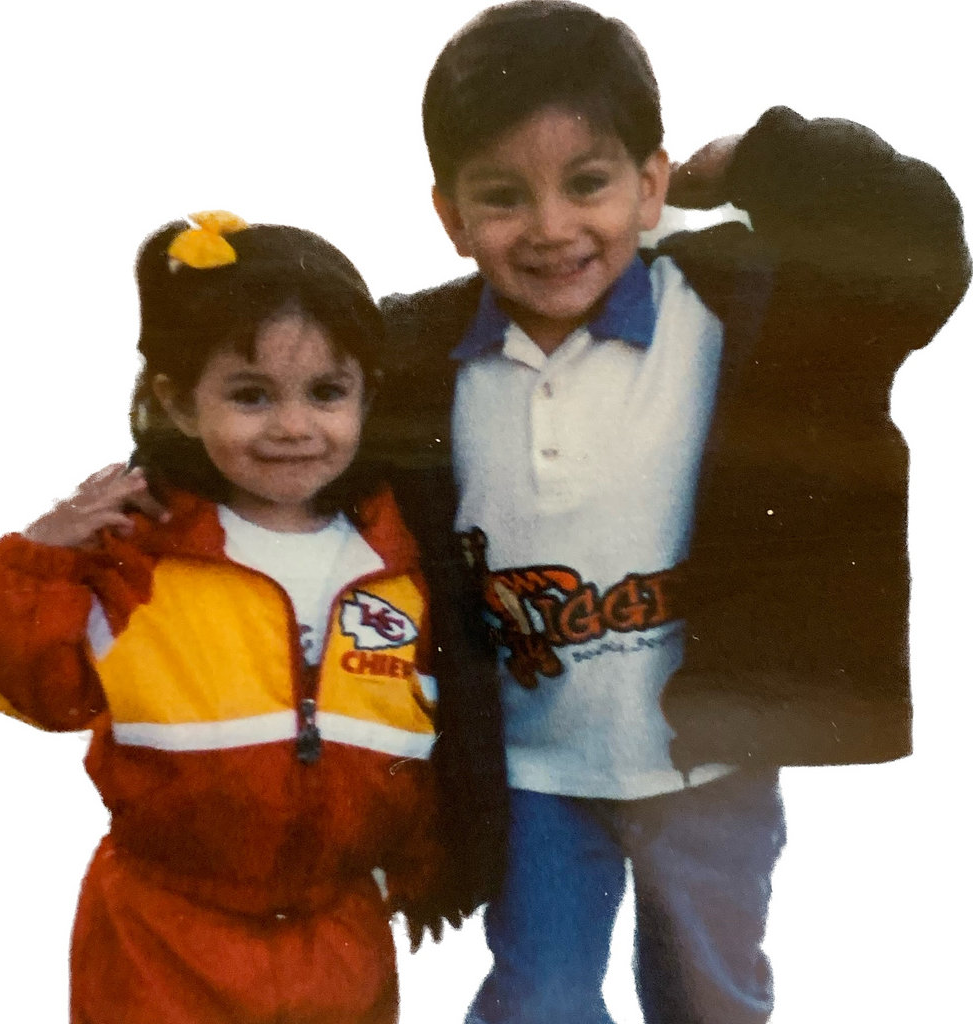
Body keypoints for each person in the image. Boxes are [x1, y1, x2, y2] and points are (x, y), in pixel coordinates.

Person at [368, 3, 971, 1023]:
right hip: (534, 766)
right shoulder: (414, 360)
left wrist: (759, 156)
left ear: (650, 185)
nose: (552, 227)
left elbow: (920, 248)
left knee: (709, 996)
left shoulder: (739, 305)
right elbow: (263, 420)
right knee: (538, 998)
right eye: (504, 196)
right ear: (450, 214)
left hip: (711, 763)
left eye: (589, 183)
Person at [0, 212, 445, 1024]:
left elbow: (421, 735)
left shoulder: (400, 563)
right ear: (179, 403)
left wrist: (423, 864)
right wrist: (36, 557)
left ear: (368, 394)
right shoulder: (141, 555)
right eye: (251, 396)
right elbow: (41, 689)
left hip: (338, 937)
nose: (294, 425)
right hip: (161, 940)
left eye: (327, 392)